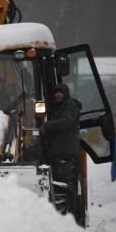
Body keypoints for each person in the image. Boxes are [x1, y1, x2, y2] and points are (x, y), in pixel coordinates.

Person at [39, 83, 82, 215]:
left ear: (65, 94)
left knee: (63, 184)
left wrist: (46, 126)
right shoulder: (58, 107)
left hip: (64, 152)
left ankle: (67, 215)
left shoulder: (70, 106)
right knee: (57, 182)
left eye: (60, 92)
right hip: (57, 152)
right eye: (56, 93)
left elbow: (65, 121)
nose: (58, 95)